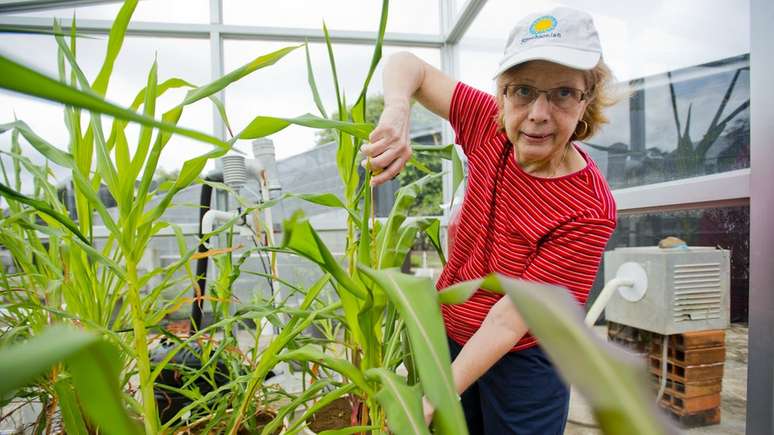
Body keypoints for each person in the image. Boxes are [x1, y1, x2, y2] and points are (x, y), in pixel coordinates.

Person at [362, 6, 618, 435]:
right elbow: (406, 65)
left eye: (562, 93)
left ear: (586, 99)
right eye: (523, 91)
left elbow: (507, 322)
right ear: (502, 93)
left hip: (525, 358)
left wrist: (433, 398)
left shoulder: (588, 209)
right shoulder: (488, 124)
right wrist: (397, 110)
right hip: (451, 331)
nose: (538, 112)